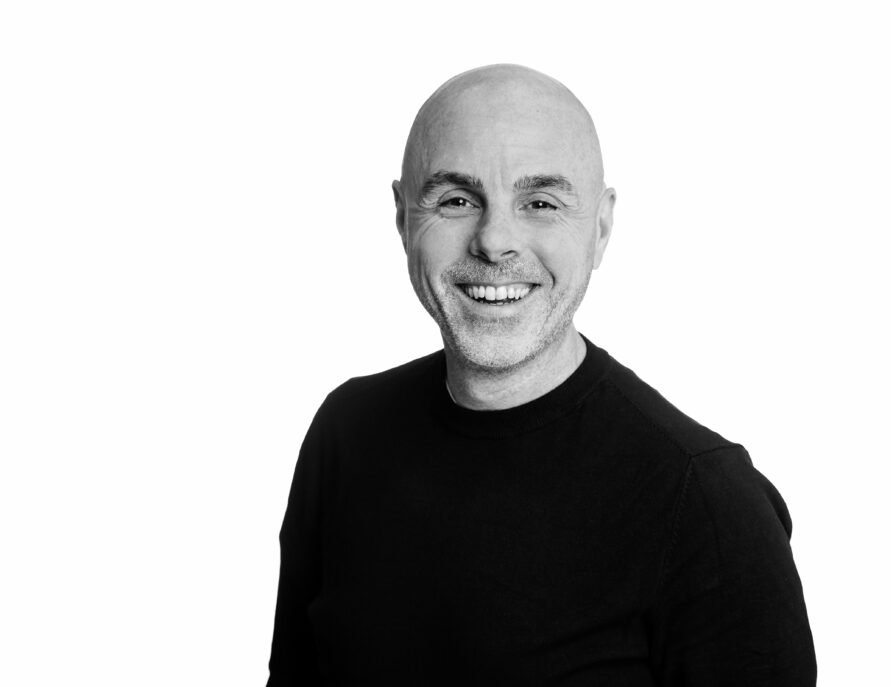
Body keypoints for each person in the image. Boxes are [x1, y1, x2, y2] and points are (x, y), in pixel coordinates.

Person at [267, 64, 816, 686]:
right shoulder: (347, 431)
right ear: (402, 218)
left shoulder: (706, 501)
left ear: (600, 229)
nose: (494, 241)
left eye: (540, 204)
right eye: (456, 200)